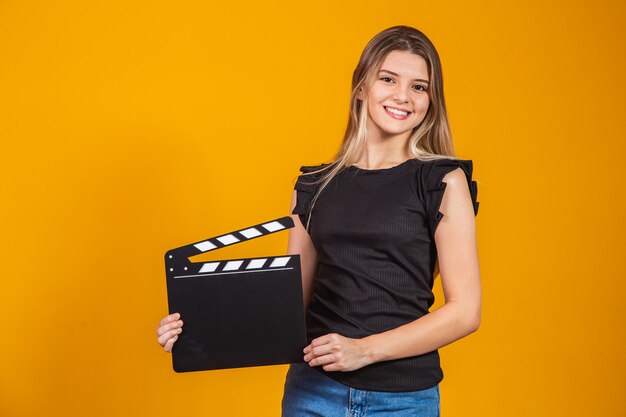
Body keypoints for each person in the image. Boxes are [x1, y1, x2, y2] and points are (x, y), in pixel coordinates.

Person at [157, 25, 481, 417]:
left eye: (419, 86)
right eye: (388, 79)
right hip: (313, 392)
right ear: (360, 87)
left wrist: (364, 350)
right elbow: (292, 302)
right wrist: (198, 327)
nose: (402, 96)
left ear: (431, 99)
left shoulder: (441, 181)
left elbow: (465, 311)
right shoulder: (313, 186)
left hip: (403, 401)